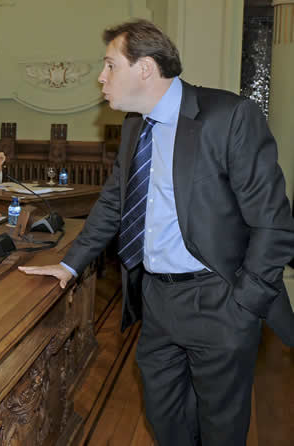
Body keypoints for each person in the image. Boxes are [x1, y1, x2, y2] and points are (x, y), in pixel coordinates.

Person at [19, 19, 294, 446]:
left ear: (145, 68)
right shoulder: (134, 129)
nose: (101, 77)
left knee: (221, 430)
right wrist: (71, 264)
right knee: (165, 421)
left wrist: (245, 304)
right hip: (157, 301)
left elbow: (273, 222)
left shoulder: (229, 116)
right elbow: (114, 204)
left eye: (110, 65)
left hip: (220, 301)